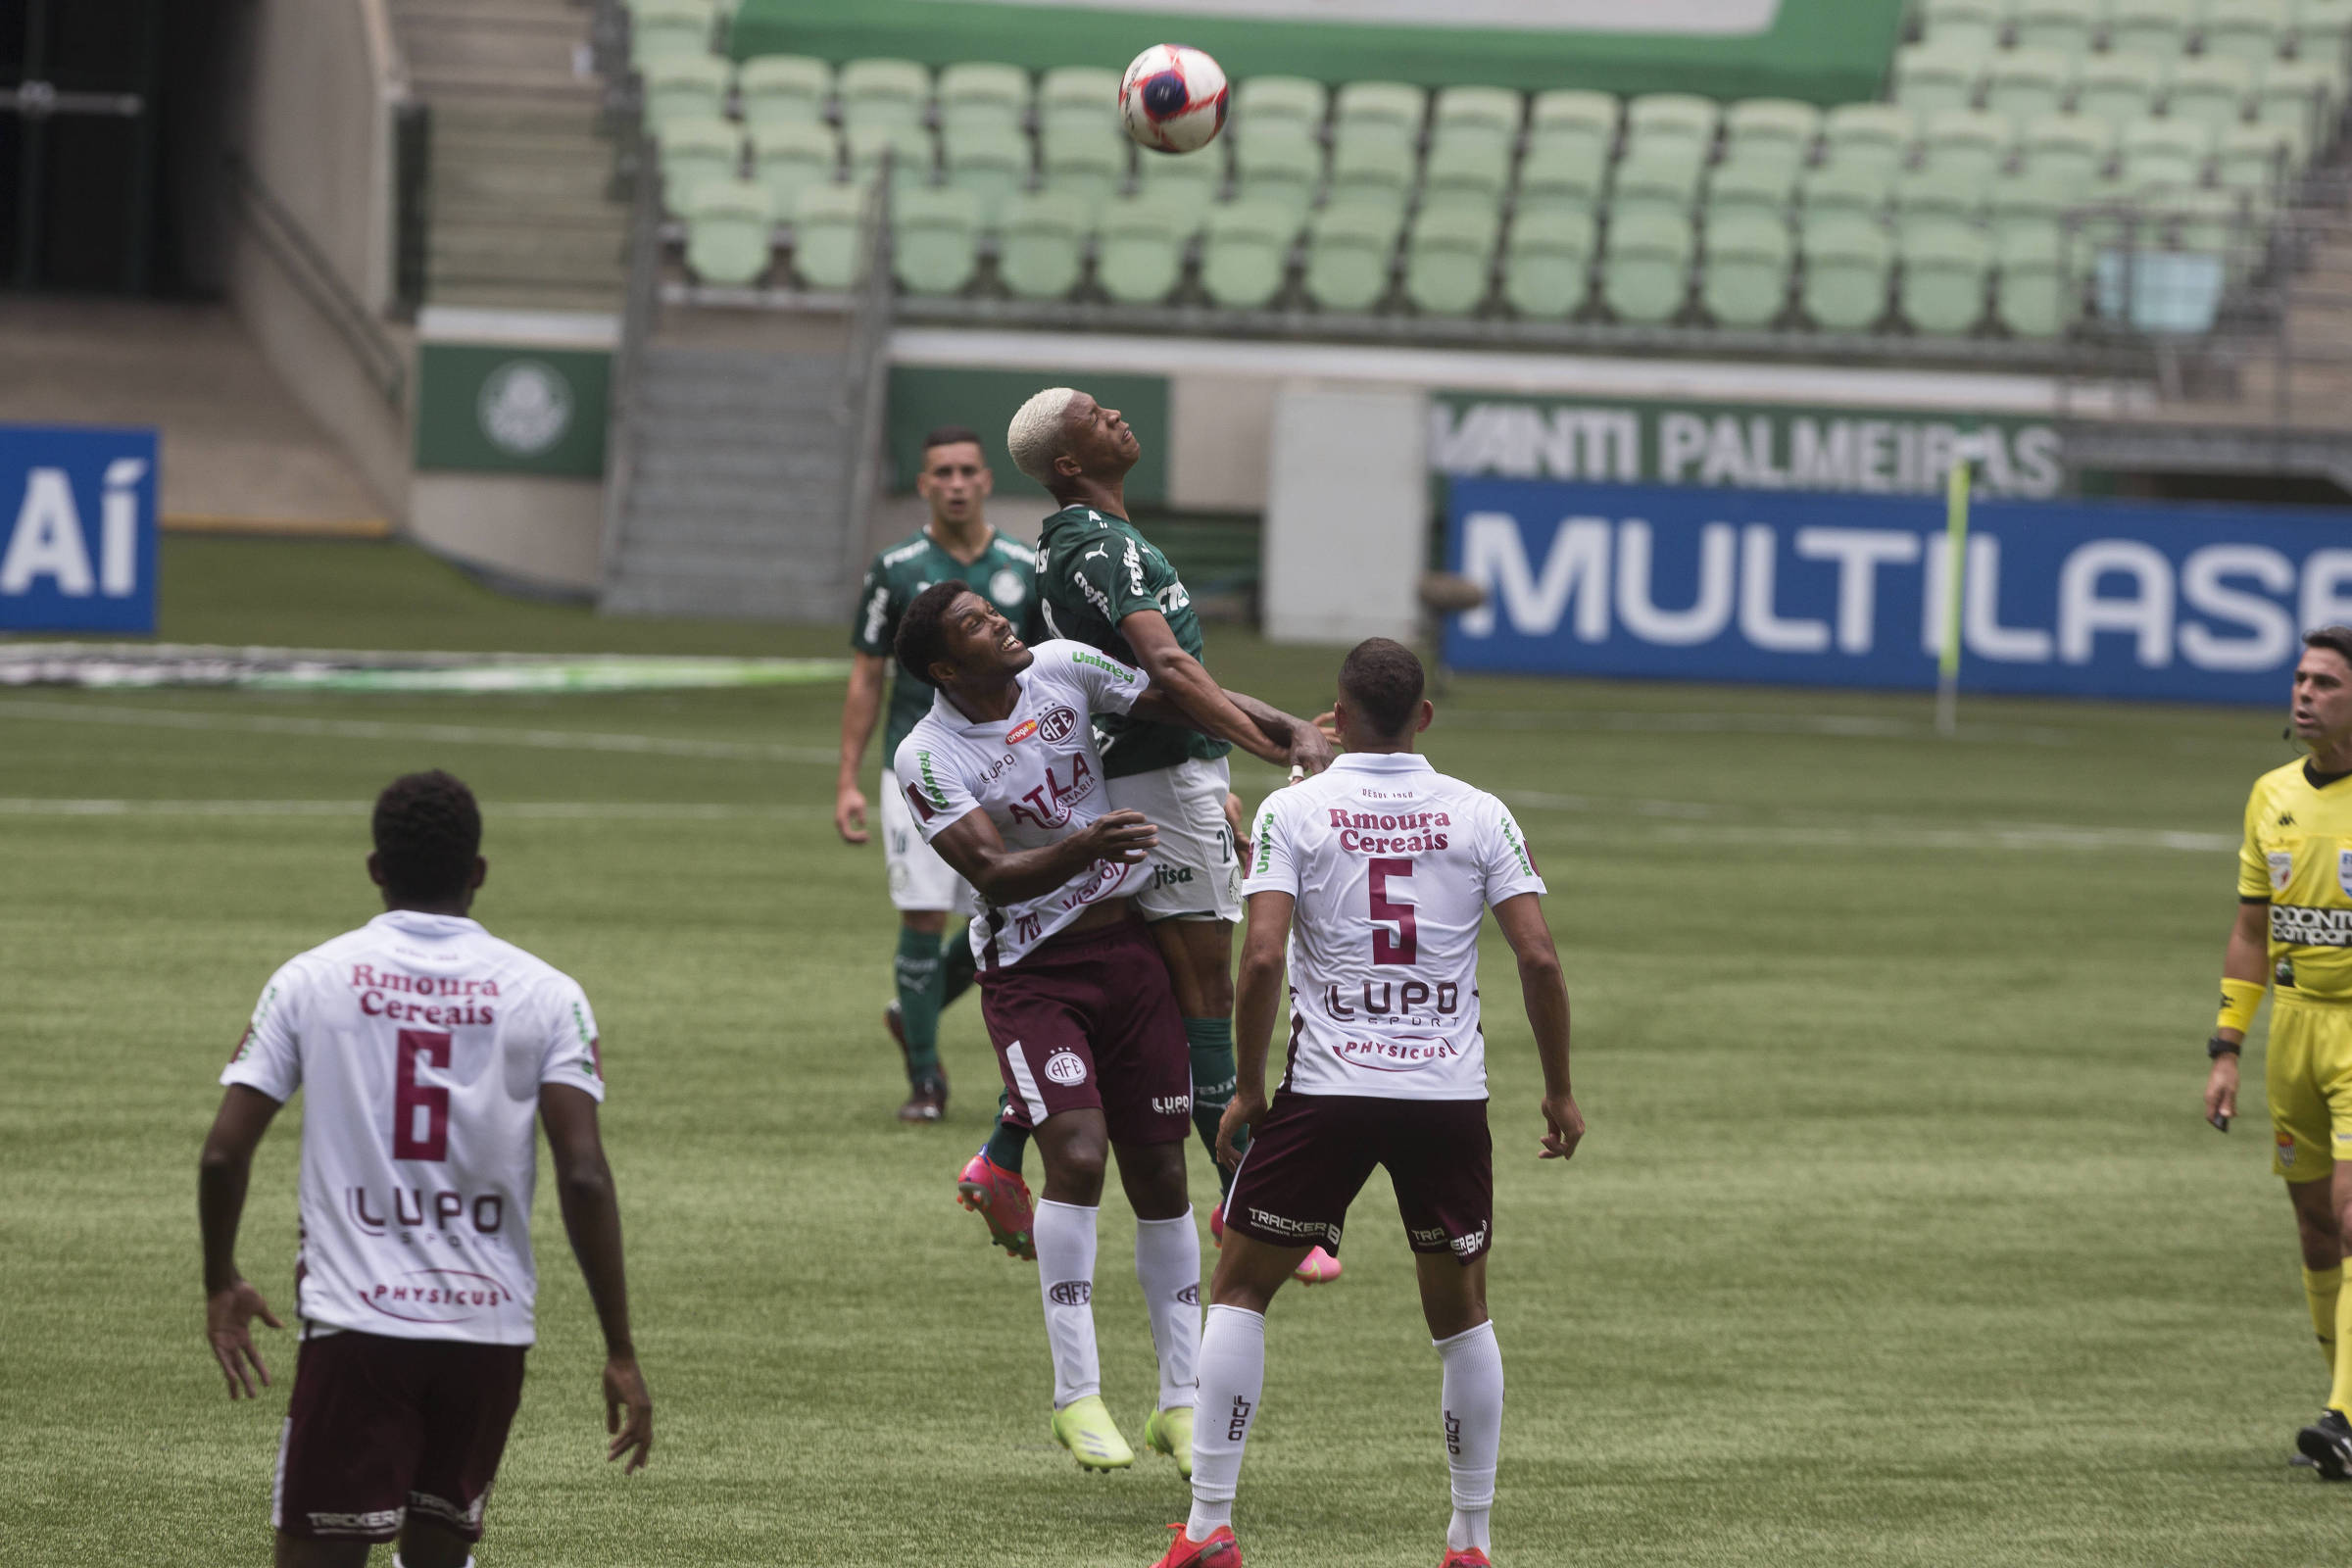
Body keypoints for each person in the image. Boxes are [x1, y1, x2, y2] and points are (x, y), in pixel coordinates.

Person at [1154, 639, 1583, 1568]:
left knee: (1240, 1287)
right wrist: (1557, 1090)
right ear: (1423, 716)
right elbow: (1540, 958)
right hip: (1445, 1095)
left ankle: (1209, 1528)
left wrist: (1250, 1087)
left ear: (1334, 718)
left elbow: (1262, 957)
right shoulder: (1481, 813)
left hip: (1330, 1090)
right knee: (1461, 1313)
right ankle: (1469, 1539)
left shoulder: (1293, 808)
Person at [890, 581, 1325, 1477]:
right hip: (1031, 974)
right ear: (944, 666)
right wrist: (1085, 847)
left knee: (1162, 1166)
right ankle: (1076, 1396)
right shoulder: (926, 753)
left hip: (1128, 957)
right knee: (1081, 1156)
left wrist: (1287, 730)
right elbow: (991, 869)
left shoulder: (1058, 667)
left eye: (989, 609)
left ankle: (1179, 1401)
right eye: (975, 623)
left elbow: (1180, 693)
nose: (999, 621)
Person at [197, 769, 652, 1567]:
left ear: (376, 869)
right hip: (487, 1331)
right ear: (477, 872)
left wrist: (221, 1278)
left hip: (359, 1327)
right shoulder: (548, 995)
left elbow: (224, 1152)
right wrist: (620, 1347)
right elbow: (584, 1173)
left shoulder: (310, 979)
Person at [1005, 385, 1345, 1288]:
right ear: (1069, 463)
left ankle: (1002, 1148)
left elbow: (1168, 677)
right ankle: (1248, 1196)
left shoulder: (1074, 545)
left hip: (1151, 776)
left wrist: (1264, 737)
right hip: (1165, 778)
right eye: (1094, 415)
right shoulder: (1104, 543)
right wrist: (1265, 748)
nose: (1116, 414)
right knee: (1205, 994)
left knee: (1146, 982)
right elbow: (1164, 668)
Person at [839, 426, 1040, 1152]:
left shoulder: (1023, 566)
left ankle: (912, 1009)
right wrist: (848, 782)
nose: (955, 483)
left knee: (1007, 902)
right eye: (940, 473)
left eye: (966, 471)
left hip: (1011, 763)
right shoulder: (894, 570)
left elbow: (1042, 664)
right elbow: (868, 675)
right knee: (924, 912)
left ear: (987, 480)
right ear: (924, 486)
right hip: (914, 765)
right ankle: (926, 1079)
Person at [2204, 626, 2352, 1480]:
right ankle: (2343, 1404)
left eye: (2326, 682)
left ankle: (2344, 1414)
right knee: (2316, 1228)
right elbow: (2251, 929)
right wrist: (2226, 1047)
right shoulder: (2271, 795)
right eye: (2299, 678)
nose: (2303, 694)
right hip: (2293, 1031)